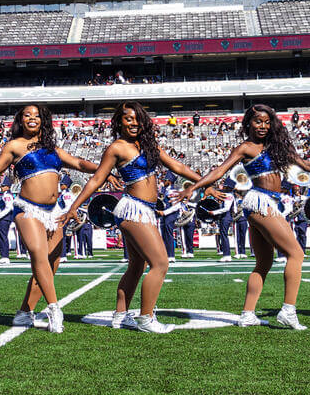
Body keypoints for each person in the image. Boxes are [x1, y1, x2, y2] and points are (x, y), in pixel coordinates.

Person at [0, 104, 113, 334]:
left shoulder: (52, 148)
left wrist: (105, 170)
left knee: (50, 265)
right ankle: (55, 309)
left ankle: (25, 312)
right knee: (38, 255)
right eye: (27, 115)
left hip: (55, 212)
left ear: (43, 121)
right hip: (27, 209)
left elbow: (78, 163)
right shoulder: (14, 146)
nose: (32, 118)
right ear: (21, 120)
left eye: (37, 115)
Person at [181, 104, 310, 330]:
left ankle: (247, 314)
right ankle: (288, 310)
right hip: (260, 201)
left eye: (267, 122)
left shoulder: (276, 147)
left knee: (264, 262)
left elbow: (305, 164)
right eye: (258, 121)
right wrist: (196, 187)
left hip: (265, 203)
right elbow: (219, 171)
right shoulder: (246, 147)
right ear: (248, 123)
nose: (263, 126)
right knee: (296, 253)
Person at [63, 102, 221, 333]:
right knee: (160, 263)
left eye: (137, 119)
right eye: (128, 119)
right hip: (133, 208)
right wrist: (74, 206)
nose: (134, 123)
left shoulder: (147, 144)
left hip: (144, 209)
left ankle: (120, 315)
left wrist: (202, 184)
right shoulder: (117, 147)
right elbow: (97, 179)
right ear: (119, 122)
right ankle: (146, 318)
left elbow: (176, 166)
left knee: (137, 265)